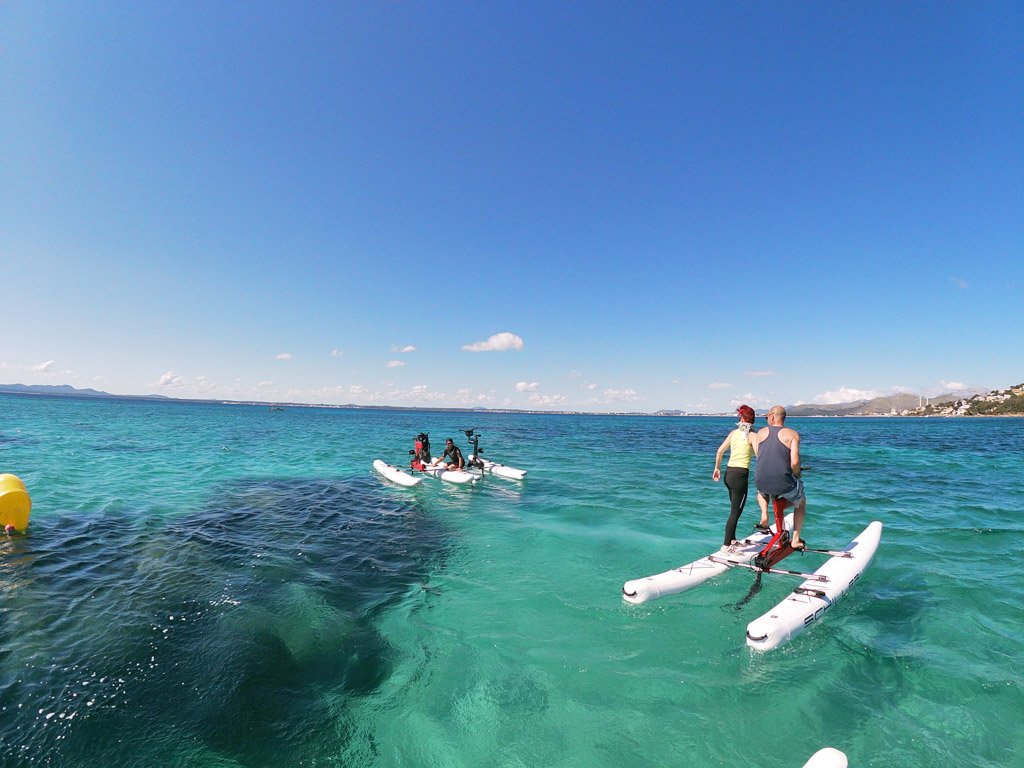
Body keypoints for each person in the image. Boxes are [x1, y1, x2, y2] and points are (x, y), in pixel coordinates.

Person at [748, 405, 806, 549]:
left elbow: (759, 455)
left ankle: (764, 515)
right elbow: (795, 461)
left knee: (761, 493)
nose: (767, 419)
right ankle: (795, 539)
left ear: (772, 416)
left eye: (767, 417)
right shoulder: (793, 435)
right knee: (801, 500)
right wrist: (797, 473)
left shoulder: (760, 433)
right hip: (782, 482)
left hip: (760, 480)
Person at [712, 405, 769, 551]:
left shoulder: (733, 433)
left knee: (734, 509)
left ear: (741, 419)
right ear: (753, 420)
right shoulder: (752, 436)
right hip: (740, 477)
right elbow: (760, 457)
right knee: (735, 512)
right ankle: (725, 545)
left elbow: (719, 451)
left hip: (728, 474)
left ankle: (732, 540)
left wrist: (717, 468)